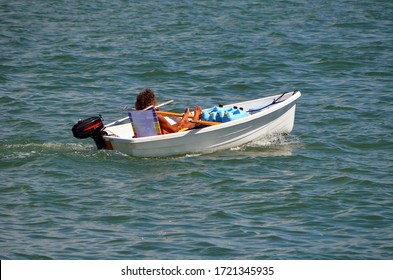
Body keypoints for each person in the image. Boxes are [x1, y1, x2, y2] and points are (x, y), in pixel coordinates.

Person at [134, 89, 202, 134]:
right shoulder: (157, 116)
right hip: (161, 137)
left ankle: (185, 120)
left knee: (180, 124)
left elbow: (169, 128)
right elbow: (175, 131)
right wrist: (189, 117)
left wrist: (184, 119)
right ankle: (196, 118)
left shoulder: (138, 115)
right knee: (187, 125)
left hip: (151, 135)